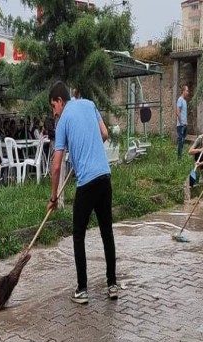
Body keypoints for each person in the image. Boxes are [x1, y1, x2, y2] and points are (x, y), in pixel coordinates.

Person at [47, 81, 118, 304]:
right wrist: (85, 149)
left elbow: (56, 166)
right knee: (107, 232)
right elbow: (104, 134)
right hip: (105, 177)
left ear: (60, 101)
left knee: (78, 234)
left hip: (86, 183)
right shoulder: (89, 104)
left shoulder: (63, 122)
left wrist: (54, 196)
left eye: (53, 106)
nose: (54, 112)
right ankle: (112, 285)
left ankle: (82, 289)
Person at [176, 84, 189, 159]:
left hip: (184, 124)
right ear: (183, 91)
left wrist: (186, 124)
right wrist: (181, 123)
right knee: (180, 142)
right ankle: (179, 158)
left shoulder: (184, 101)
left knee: (183, 142)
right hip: (181, 125)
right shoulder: (180, 99)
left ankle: (181, 156)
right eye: (187, 91)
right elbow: (178, 112)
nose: (188, 92)